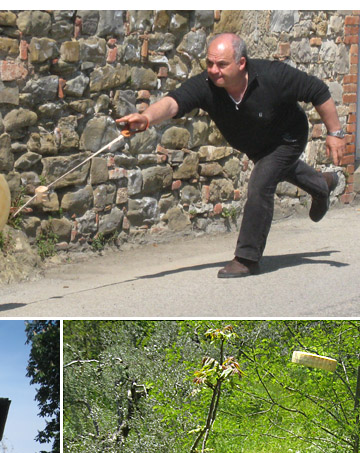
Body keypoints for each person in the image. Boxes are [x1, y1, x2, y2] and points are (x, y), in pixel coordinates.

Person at [117, 32, 347, 278]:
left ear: (241, 63)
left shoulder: (273, 75)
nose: (214, 70)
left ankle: (247, 258)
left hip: (287, 139)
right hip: (255, 143)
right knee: (276, 169)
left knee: (261, 183)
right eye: (210, 63)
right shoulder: (206, 85)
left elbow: (318, 90)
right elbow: (175, 101)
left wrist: (335, 132)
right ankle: (321, 184)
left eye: (222, 64)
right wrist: (147, 118)